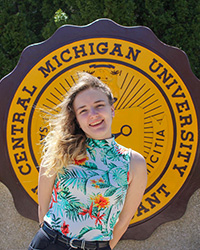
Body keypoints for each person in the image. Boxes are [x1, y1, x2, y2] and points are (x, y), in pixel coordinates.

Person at [28, 72, 147, 250]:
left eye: (99, 106)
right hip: (49, 243)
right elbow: (43, 206)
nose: (93, 114)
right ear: (76, 119)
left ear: (112, 110)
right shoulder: (60, 151)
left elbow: (123, 220)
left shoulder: (133, 162)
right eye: (83, 110)